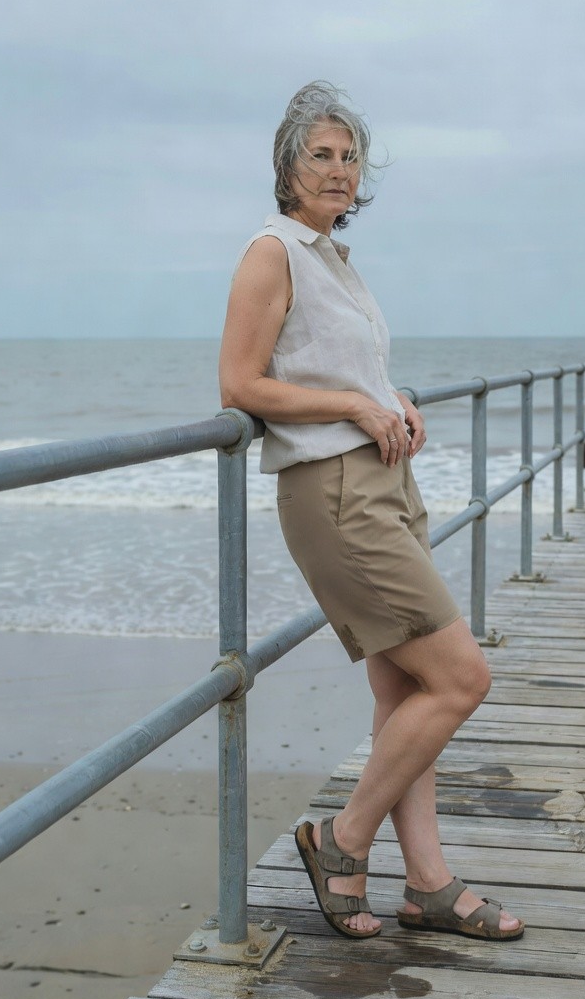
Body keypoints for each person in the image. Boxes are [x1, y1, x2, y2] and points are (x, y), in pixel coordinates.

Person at [219, 81, 523, 942]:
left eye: (350, 157)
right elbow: (241, 386)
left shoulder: (329, 258)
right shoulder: (271, 251)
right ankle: (339, 841)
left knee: (408, 691)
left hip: (384, 482)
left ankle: (426, 882)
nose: (340, 170)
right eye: (321, 154)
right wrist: (356, 409)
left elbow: (328, 368)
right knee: (462, 677)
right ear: (286, 166)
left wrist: (391, 397)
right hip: (336, 494)